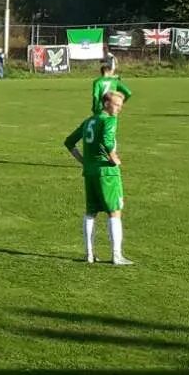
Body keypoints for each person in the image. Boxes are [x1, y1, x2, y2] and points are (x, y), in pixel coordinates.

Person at [66, 90, 129, 265]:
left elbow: (69, 141)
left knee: (90, 213)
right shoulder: (109, 120)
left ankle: (89, 254)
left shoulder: (89, 121)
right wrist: (112, 157)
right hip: (106, 172)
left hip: (90, 172)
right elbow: (107, 140)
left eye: (120, 106)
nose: (118, 109)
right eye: (116, 105)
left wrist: (83, 161)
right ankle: (117, 256)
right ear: (106, 103)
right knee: (114, 211)